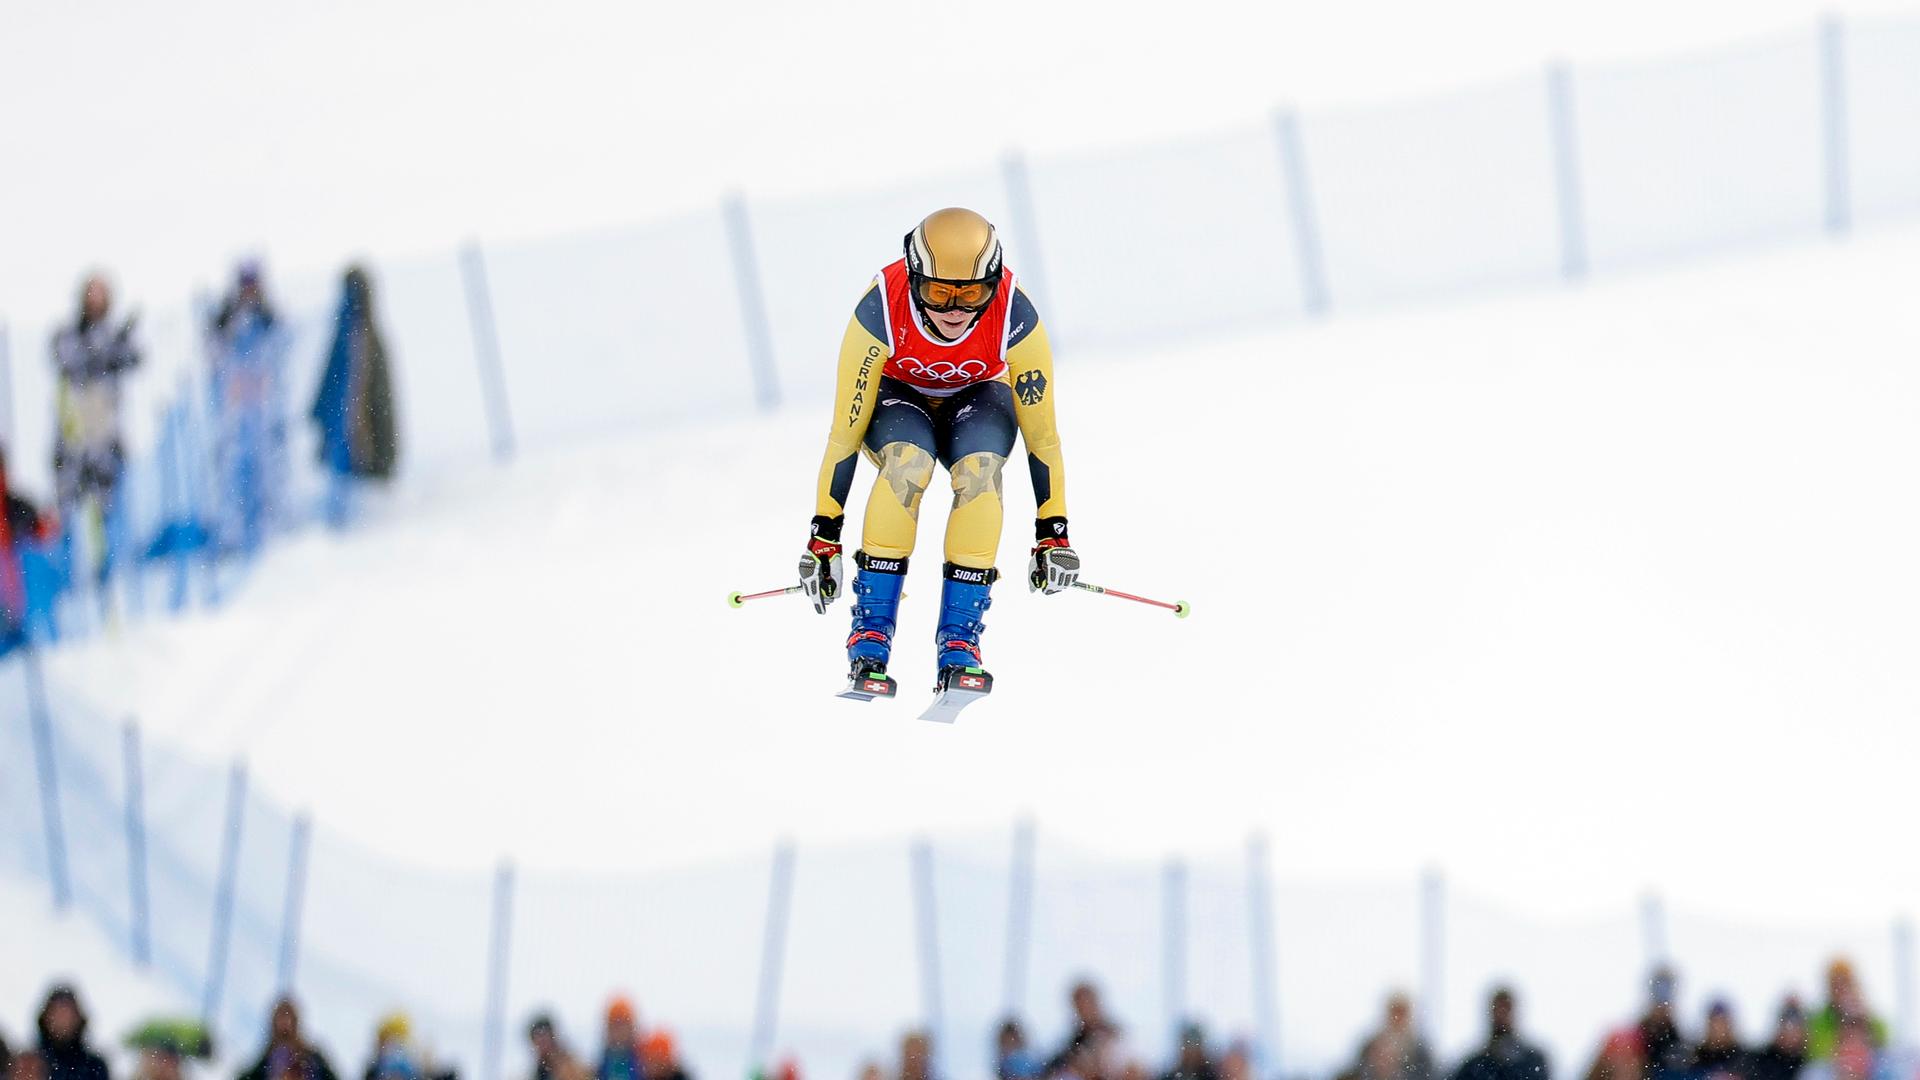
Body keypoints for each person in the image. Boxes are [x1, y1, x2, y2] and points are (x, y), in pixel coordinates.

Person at [797, 208, 1077, 695]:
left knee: (983, 471)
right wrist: (824, 536)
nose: (955, 309)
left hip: (977, 397)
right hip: (895, 398)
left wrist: (1053, 533)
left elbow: (1043, 438)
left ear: (993, 282)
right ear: (913, 279)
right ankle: (870, 635)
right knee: (908, 463)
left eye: (972, 294)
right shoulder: (880, 309)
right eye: (938, 292)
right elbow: (844, 434)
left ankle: (960, 643)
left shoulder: (1016, 314)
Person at [49, 273, 141, 591]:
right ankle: (70, 585)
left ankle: (111, 580)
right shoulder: (69, 334)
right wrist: (102, 352)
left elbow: (134, 358)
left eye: (100, 294)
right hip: (74, 442)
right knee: (70, 518)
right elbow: (65, 357)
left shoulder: (115, 336)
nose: (95, 300)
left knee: (109, 515)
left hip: (105, 441)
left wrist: (116, 345)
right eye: (91, 293)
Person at [206, 260, 291, 554]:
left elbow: (282, 348)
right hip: (234, 411)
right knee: (231, 470)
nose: (249, 290)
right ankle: (232, 533)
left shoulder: (269, 316)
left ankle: (268, 531)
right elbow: (214, 353)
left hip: (263, 411)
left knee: (266, 470)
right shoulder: (225, 317)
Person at [310, 264, 397, 527]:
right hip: (346, 445)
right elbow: (332, 380)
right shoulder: (346, 336)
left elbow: (378, 398)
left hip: (365, 452)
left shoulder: (366, 339)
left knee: (363, 503)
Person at [1, 442, 56, 655]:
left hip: (12, 599)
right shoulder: (13, 505)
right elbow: (42, 529)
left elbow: (41, 529)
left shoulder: (12, 505)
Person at [1804, 960, 1885, 1080]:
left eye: (1844, 982)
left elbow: (1883, 1045)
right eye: (1836, 983)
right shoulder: (1819, 1020)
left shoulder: (1869, 1017)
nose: (1841, 988)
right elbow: (1815, 1052)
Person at [1451, 987, 1549, 1080]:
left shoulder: (1532, 1062)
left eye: (1506, 1009)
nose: (1501, 1015)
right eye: (1498, 1009)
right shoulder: (1474, 1066)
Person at [239, 997, 340, 1080]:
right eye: (281, 1018)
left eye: (288, 1018)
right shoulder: (268, 1058)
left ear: (294, 1021)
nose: (285, 1024)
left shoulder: (311, 1056)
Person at [1348, 994, 1433, 1080]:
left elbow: (1425, 1074)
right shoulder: (1371, 1045)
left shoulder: (1419, 1050)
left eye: (1401, 1013)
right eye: (1395, 1012)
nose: (1398, 1018)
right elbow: (1359, 1070)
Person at [1048, 981, 1122, 1076]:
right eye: (1079, 1006)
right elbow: (1054, 1066)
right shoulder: (1073, 1040)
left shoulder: (1115, 1035)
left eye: (1086, 1003)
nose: (1084, 1010)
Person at [1634, 968, 1690, 1080]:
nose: (1662, 1004)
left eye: (1667, 996)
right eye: (1658, 996)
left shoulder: (1680, 1043)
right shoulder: (1633, 1038)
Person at [1746, 1000, 1806, 1080]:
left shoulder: (1808, 1063)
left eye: (1794, 1030)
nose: (1790, 1036)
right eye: (1786, 1029)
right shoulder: (1760, 1061)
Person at [1690, 1001, 1746, 1080]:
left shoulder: (1743, 1059)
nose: (1719, 1028)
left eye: (1722, 1022)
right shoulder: (1695, 1058)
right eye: (1715, 1023)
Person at [595, 999, 642, 1080]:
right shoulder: (600, 1063)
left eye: (623, 1024)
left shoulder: (643, 1060)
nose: (619, 1031)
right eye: (616, 1025)